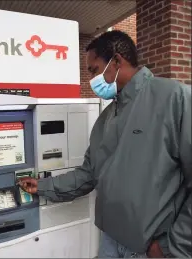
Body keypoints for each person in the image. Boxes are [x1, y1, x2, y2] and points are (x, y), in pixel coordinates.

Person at [18, 30, 191, 258]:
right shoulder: (106, 117)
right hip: (110, 240)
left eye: (94, 70)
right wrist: (42, 187)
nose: (91, 82)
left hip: (151, 249)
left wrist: (173, 247)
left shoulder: (174, 98)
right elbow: (88, 174)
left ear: (117, 60)